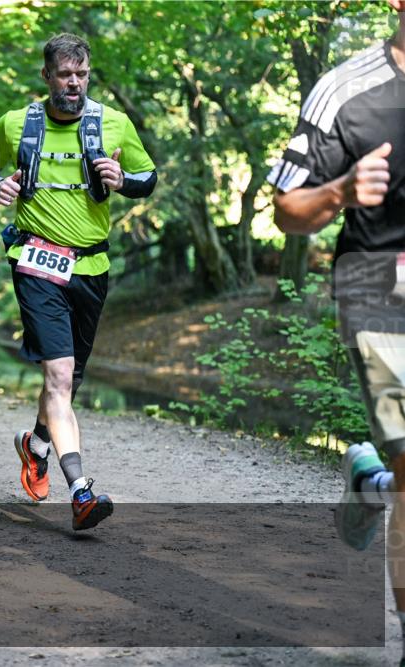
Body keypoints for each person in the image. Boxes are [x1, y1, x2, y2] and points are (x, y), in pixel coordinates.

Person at [0, 33, 157, 529]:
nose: (73, 83)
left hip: (91, 267)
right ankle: (80, 491)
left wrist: (124, 180)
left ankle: (35, 446)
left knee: (69, 378)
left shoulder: (113, 123)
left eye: (81, 74)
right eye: (64, 74)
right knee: (57, 375)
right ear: (47, 76)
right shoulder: (17, 123)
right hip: (34, 261)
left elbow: (148, 178)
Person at [268, 1, 404, 660]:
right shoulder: (345, 91)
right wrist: (343, 191)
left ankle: (372, 481)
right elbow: (287, 207)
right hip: (380, 287)